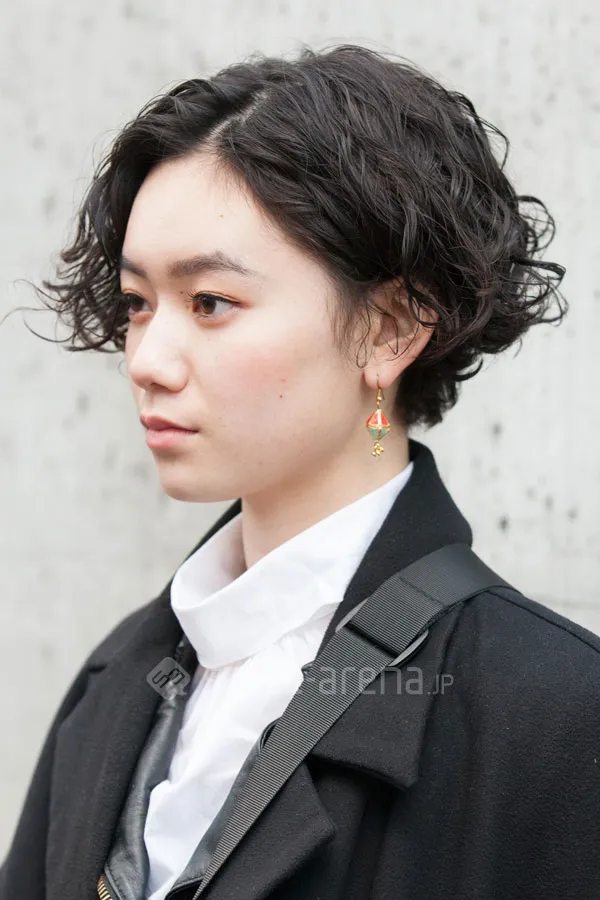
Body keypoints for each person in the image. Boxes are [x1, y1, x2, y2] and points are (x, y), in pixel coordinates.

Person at [2, 43, 599, 900]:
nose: (146, 360)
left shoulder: (555, 717)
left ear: (390, 330)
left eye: (211, 302)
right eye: (138, 303)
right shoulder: (115, 682)